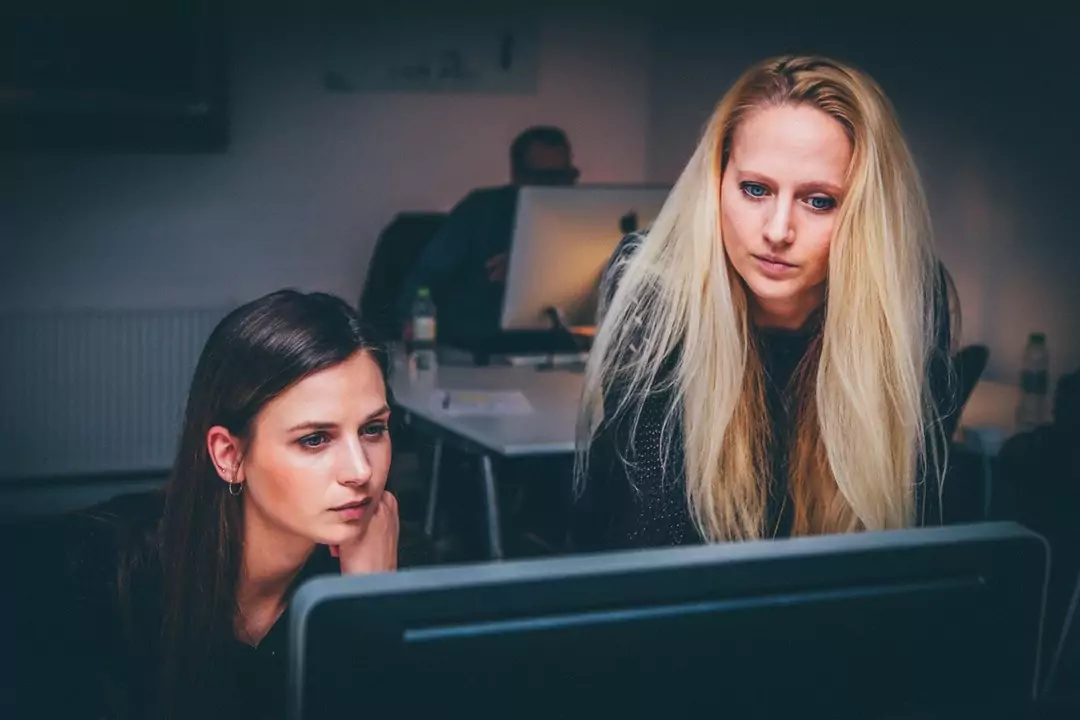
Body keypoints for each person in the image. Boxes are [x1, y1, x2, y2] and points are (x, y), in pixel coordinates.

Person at [572, 55, 957, 552]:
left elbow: (906, 533)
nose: (778, 231)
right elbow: (657, 530)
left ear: (866, 212)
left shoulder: (912, 298)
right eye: (754, 189)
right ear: (717, 182)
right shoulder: (655, 284)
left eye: (819, 201)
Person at [23, 290, 430, 720]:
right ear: (230, 456)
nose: (360, 471)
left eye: (372, 430)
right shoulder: (100, 572)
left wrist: (367, 605)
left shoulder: (392, 565)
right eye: (314, 439)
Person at [396, 125, 580, 346]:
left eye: (565, 176)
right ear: (518, 175)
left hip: (557, 345)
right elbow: (426, 275)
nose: (557, 188)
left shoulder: (579, 219)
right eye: (545, 178)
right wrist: (413, 324)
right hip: (484, 345)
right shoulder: (481, 210)